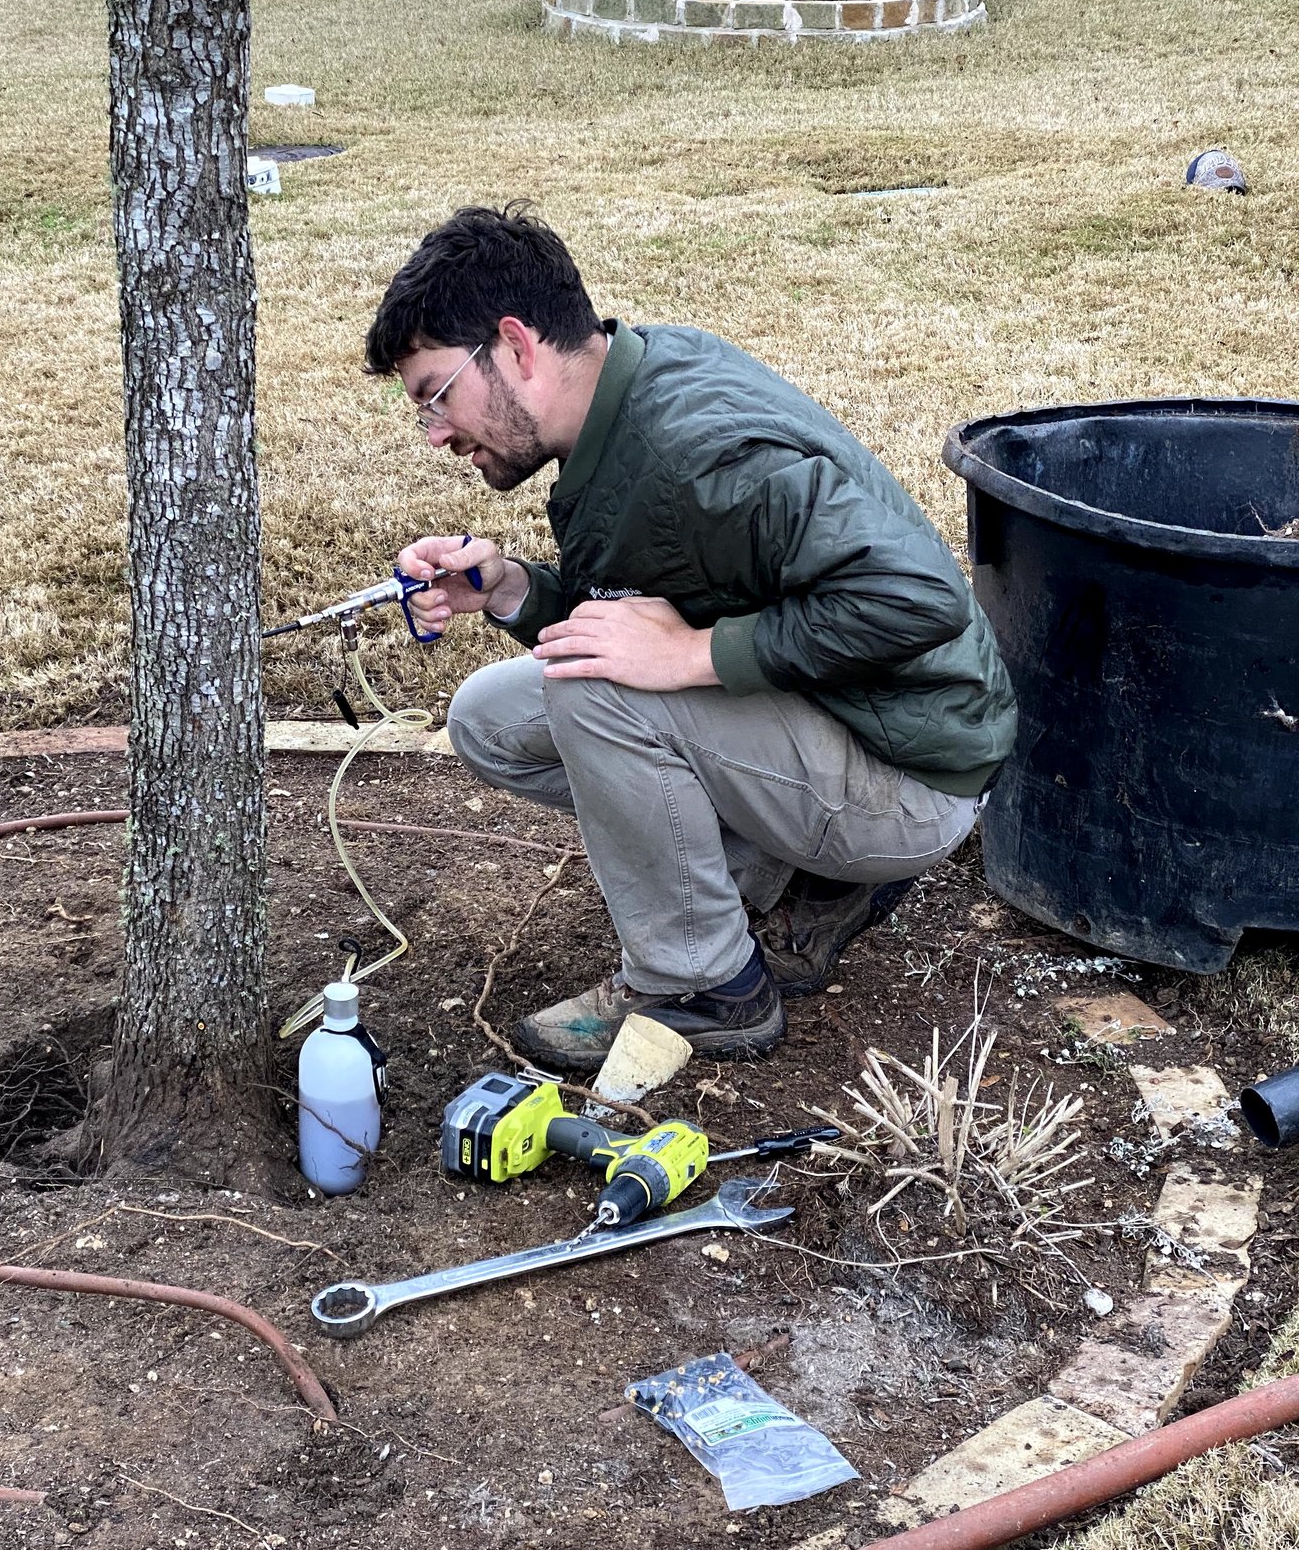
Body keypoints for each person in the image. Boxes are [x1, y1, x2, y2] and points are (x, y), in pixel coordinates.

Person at [365, 206, 1017, 1070]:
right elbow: (642, 606)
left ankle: (704, 984)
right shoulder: (627, 388)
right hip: (832, 711)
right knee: (487, 717)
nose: (437, 434)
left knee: (591, 691)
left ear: (516, 346)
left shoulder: (700, 451)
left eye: (436, 395)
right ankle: (780, 874)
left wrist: (690, 656)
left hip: (911, 776)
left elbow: (919, 599)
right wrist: (512, 588)